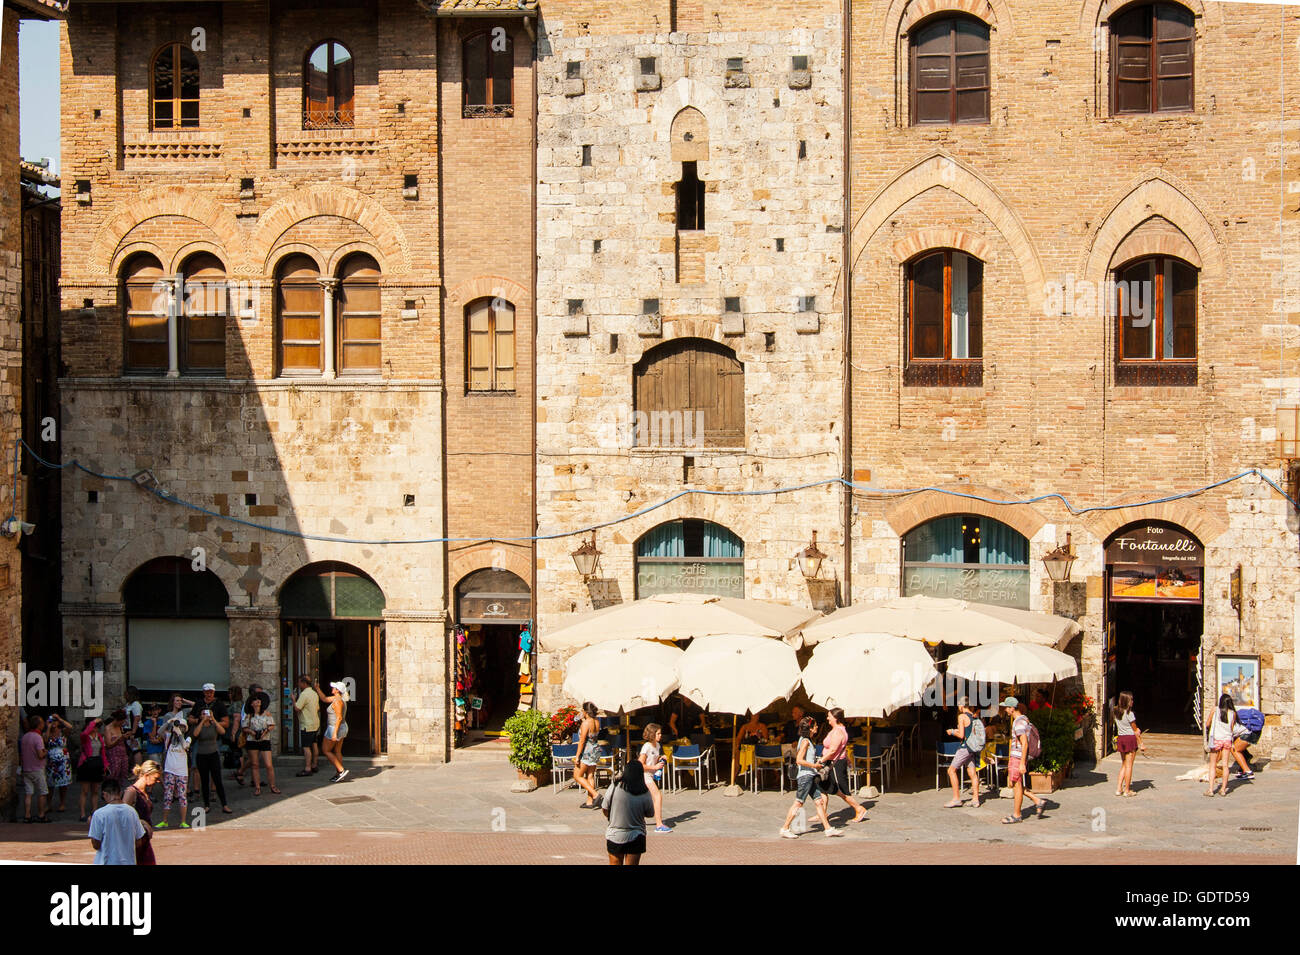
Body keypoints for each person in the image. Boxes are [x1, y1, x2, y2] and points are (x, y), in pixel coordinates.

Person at [780, 715, 841, 839]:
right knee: (798, 802)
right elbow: (799, 760)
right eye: (815, 725)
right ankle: (785, 828)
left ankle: (828, 829)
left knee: (819, 802)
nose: (817, 727)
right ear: (811, 728)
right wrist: (814, 765)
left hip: (810, 776)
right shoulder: (805, 742)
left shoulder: (806, 740)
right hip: (805, 777)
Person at [601, 758, 655, 865]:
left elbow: (605, 808)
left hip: (615, 835)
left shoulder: (615, 787)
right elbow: (650, 813)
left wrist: (612, 818)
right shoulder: (644, 792)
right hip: (636, 835)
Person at [188, 683, 233, 813]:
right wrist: (200, 720)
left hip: (213, 749)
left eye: (211, 692)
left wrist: (213, 719)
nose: (209, 694)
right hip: (201, 751)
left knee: (217, 778)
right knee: (203, 777)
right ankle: (206, 803)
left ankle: (224, 803)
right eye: (207, 692)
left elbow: (224, 727)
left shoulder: (218, 706)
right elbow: (192, 724)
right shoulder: (199, 705)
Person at [819, 708, 868, 823]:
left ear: (835, 718)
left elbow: (833, 750)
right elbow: (842, 748)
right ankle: (821, 813)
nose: (827, 718)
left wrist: (821, 760)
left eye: (829, 716)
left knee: (841, 790)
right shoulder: (838, 729)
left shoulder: (838, 732)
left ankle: (859, 808)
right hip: (833, 762)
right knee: (823, 787)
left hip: (835, 764)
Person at [1002, 697, 1046, 824]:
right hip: (1017, 756)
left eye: (1006, 707)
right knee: (1014, 783)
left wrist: (1021, 763)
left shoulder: (1019, 722)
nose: (1005, 710)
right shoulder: (1023, 719)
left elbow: (1024, 743)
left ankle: (1017, 815)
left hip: (1017, 757)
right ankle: (1037, 800)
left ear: (1012, 708)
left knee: (1016, 785)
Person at [89, 778, 146, 865]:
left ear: (104, 794)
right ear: (120, 793)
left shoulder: (99, 814)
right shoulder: (132, 812)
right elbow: (138, 842)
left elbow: (96, 845)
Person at [944, 696, 983, 809]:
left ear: (961, 706)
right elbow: (967, 732)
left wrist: (952, 732)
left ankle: (956, 798)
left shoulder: (962, 717)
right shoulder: (974, 716)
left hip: (965, 748)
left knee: (951, 770)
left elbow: (961, 735)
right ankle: (975, 799)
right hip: (973, 748)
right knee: (972, 773)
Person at [154, 714, 191, 829]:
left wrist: (179, 733)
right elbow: (159, 732)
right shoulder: (169, 737)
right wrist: (169, 722)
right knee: (168, 796)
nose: (179, 728)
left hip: (182, 772)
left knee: (182, 796)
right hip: (170, 770)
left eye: (182, 727)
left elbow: (185, 746)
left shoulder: (187, 738)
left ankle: (183, 821)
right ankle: (164, 820)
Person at [122, 760, 160, 866]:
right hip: (134, 840)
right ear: (147, 775)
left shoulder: (144, 793)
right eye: (155, 778)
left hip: (144, 839)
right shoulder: (131, 792)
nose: (157, 782)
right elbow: (122, 815)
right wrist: (141, 822)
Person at [637, 723, 671, 833]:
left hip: (650, 775)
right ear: (652, 734)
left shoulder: (658, 746)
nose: (660, 735)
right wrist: (654, 767)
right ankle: (659, 824)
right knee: (657, 796)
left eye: (660, 733)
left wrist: (661, 758)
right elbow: (640, 765)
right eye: (658, 733)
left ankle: (637, 821)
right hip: (644, 775)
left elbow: (654, 759)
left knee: (643, 800)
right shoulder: (646, 746)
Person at [315, 679, 351, 782]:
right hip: (341, 727)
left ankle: (341, 770)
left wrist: (334, 733)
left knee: (326, 750)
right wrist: (317, 688)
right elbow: (324, 699)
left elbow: (339, 717)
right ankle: (339, 773)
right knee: (337, 751)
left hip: (335, 728)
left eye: (334, 687)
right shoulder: (338, 698)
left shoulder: (338, 701)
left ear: (337, 690)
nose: (332, 688)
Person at [1112, 690, 1146, 797]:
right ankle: (1127, 790)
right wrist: (1141, 744)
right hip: (1130, 739)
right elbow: (1135, 731)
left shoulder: (1116, 712)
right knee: (1129, 766)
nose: (1132, 701)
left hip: (1121, 739)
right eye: (1131, 699)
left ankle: (1118, 789)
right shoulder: (1129, 714)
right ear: (1127, 701)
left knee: (1123, 764)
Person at [244, 695, 279, 795]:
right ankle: (257, 787)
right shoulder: (249, 715)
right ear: (251, 704)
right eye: (254, 700)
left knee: (269, 765)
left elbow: (272, 725)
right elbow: (244, 728)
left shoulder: (267, 714)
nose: (257, 701)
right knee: (255, 764)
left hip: (264, 740)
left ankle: (272, 785)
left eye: (258, 700)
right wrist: (252, 732)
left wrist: (265, 731)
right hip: (252, 741)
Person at [1205, 693, 1238, 797]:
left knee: (1213, 765)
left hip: (1216, 739)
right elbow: (1232, 728)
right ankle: (1223, 789)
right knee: (1225, 765)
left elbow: (1207, 723)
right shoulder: (1233, 713)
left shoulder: (1215, 710)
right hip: (1227, 740)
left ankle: (1210, 790)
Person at [19, 715, 50, 823]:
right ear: (39, 725)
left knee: (28, 793)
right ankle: (41, 815)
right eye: (41, 723)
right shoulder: (38, 737)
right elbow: (40, 755)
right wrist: (46, 752)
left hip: (26, 768)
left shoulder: (25, 736)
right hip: (37, 768)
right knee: (42, 792)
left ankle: (27, 815)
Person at [573, 702, 602, 809]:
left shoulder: (585, 723)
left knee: (577, 776)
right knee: (590, 775)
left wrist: (577, 756)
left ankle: (595, 795)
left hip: (586, 751)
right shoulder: (596, 721)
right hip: (595, 749)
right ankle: (589, 802)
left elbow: (582, 741)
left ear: (585, 711)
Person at [76, 716, 106, 822]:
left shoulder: (99, 737)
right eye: (94, 726)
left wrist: (105, 765)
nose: (96, 729)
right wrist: (93, 722)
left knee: (95, 790)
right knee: (85, 790)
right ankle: (82, 813)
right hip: (86, 764)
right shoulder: (85, 737)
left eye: (97, 727)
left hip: (97, 763)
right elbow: (84, 733)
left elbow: (102, 752)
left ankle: (94, 811)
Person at [44, 712, 74, 814]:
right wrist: (48, 727)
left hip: (63, 760)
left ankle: (62, 803)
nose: (53, 723)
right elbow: (45, 740)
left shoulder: (63, 732)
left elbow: (70, 727)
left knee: (63, 784)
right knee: (50, 784)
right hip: (51, 761)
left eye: (54, 722)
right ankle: (48, 804)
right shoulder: (47, 733)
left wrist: (60, 719)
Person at [292, 675, 321, 777]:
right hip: (315, 723)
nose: (298, 684)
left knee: (306, 747)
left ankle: (308, 768)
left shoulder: (304, 695)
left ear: (304, 683)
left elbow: (297, 708)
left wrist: (293, 699)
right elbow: (317, 708)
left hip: (307, 724)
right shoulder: (314, 693)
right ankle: (314, 764)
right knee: (314, 744)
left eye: (300, 682)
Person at [101, 709, 131, 786]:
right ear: (117, 720)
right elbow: (108, 744)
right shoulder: (108, 728)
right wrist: (120, 738)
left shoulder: (120, 727)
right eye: (121, 722)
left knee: (123, 772)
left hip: (122, 753)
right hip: (113, 754)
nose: (122, 723)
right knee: (114, 773)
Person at [122, 685, 144, 766]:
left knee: (136, 750)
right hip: (127, 729)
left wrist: (133, 732)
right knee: (129, 750)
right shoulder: (128, 704)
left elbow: (136, 718)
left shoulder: (136, 704)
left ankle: (138, 771)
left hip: (134, 729)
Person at [140, 702, 165, 769]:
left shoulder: (162, 721)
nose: (155, 712)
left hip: (162, 748)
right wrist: (154, 724)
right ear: (149, 712)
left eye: (156, 710)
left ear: (159, 710)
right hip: (152, 750)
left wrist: (159, 740)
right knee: (157, 768)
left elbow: (165, 734)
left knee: (162, 768)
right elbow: (152, 736)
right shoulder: (147, 723)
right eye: (153, 710)